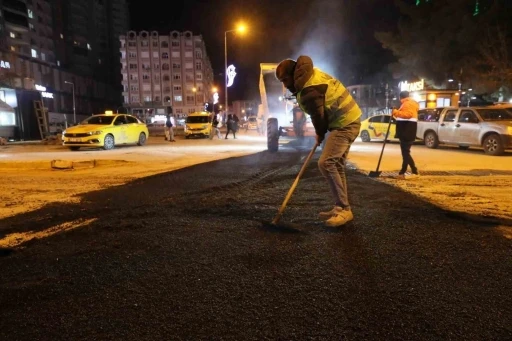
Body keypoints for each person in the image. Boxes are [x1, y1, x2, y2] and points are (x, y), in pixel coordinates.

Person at [275, 55, 361, 227]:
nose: (285, 85)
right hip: (349, 119)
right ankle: (340, 207)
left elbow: (318, 116)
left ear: (294, 74)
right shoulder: (311, 75)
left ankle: (344, 209)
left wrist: (320, 133)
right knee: (336, 165)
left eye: (285, 80)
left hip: (345, 123)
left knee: (326, 163)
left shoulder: (308, 90)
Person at [392, 91, 419, 179]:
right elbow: (403, 116)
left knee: (405, 153)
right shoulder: (409, 103)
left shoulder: (408, 104)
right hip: (407, 131)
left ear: (401, 97)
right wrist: (396, 113)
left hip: (406, 131)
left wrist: (396, 112)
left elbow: (408, 115)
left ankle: (406, 171)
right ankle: (410, 170)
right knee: (406, 152)